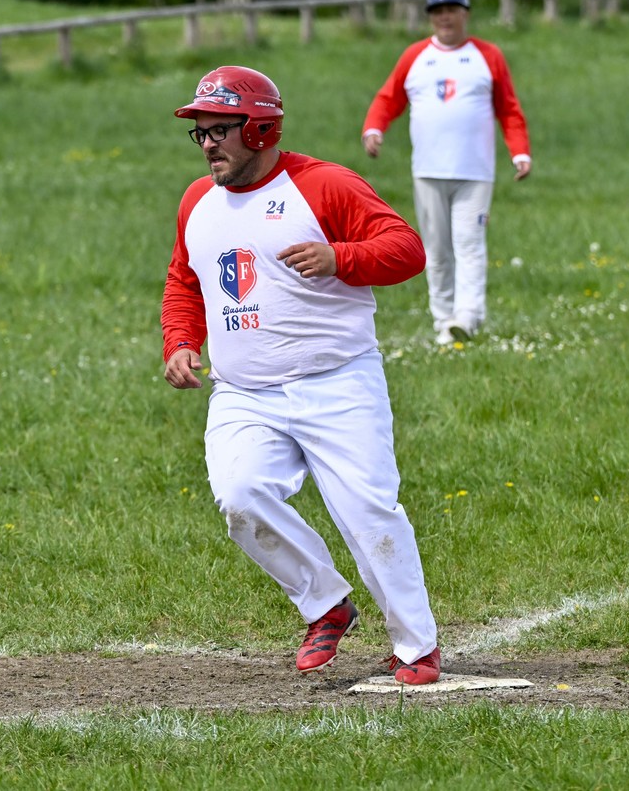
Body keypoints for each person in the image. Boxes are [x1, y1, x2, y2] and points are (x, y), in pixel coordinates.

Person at [161, 65, 442, 686]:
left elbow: (406, 249)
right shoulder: (197, 202)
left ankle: (416, 647)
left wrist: (340, 257)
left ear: (259, 129)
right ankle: (325, 604)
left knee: (369, 515)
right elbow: (185, 280)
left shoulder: (324, 185)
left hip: (337, 382)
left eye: (219, 130)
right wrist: (180, 341)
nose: (207, 144)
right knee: (240, 496)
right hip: (243, 392)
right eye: (200, 132)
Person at [361, 0, 532, 346]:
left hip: (474, 172)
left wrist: (520, 152)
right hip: (428, 171)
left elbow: (508, 109)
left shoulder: (487, 55)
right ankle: (444, 320)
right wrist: (374, 128)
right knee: (436, 250)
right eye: (438, 12)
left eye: (452, 10)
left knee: (469, 243)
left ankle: (467, 317)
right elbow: (389, 98)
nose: (445, 18)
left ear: (465, 14)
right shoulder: (415, 56)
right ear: (431, 18)